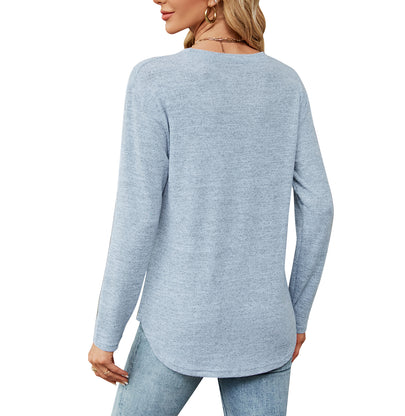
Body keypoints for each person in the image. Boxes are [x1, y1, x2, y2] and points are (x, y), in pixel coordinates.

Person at [88, 0, 334, 414]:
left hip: (179, 323)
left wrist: (105, 334)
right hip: (265, 326)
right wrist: (296, 314)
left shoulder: (155, 80)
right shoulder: (286, 83)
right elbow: (320, 208)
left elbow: (136, 218)